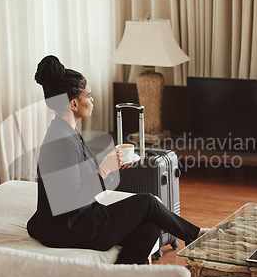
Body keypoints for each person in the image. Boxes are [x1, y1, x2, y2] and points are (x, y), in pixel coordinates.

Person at [27, 55, 207, 264]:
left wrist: (114, 165)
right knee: (148, 201)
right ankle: (196, 235)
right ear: (74, 103)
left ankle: (121, 276)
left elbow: (82, 177)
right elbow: (74, 198)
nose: (92, 100)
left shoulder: (66, 130)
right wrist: (104, 169)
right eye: (89, 96)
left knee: (150, 228)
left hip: (77, 218)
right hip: (69, 227)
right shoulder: (60, 142)